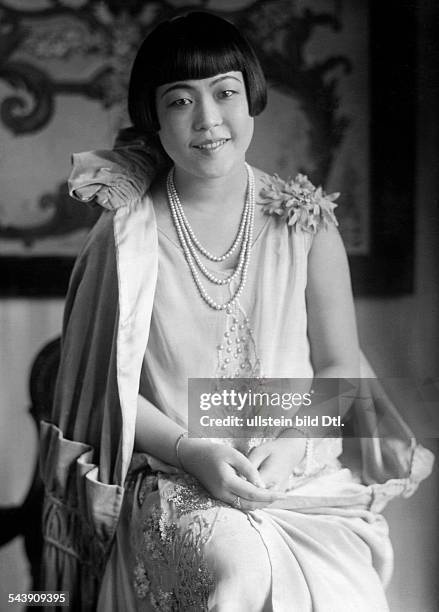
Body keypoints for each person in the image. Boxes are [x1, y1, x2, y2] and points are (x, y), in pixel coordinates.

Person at [39, 12, 433, 612]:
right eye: (180, 101)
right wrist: (193, 449)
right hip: (176, 471)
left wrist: (296, 439)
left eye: (225, 92)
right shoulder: (127, 234)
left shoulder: (305, 222)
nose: (208, 120)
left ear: (250, 99)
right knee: (239, 570)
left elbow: (337, 368)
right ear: (153, 115)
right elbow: (108, 396)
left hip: (294, 471)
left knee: (346, 594)